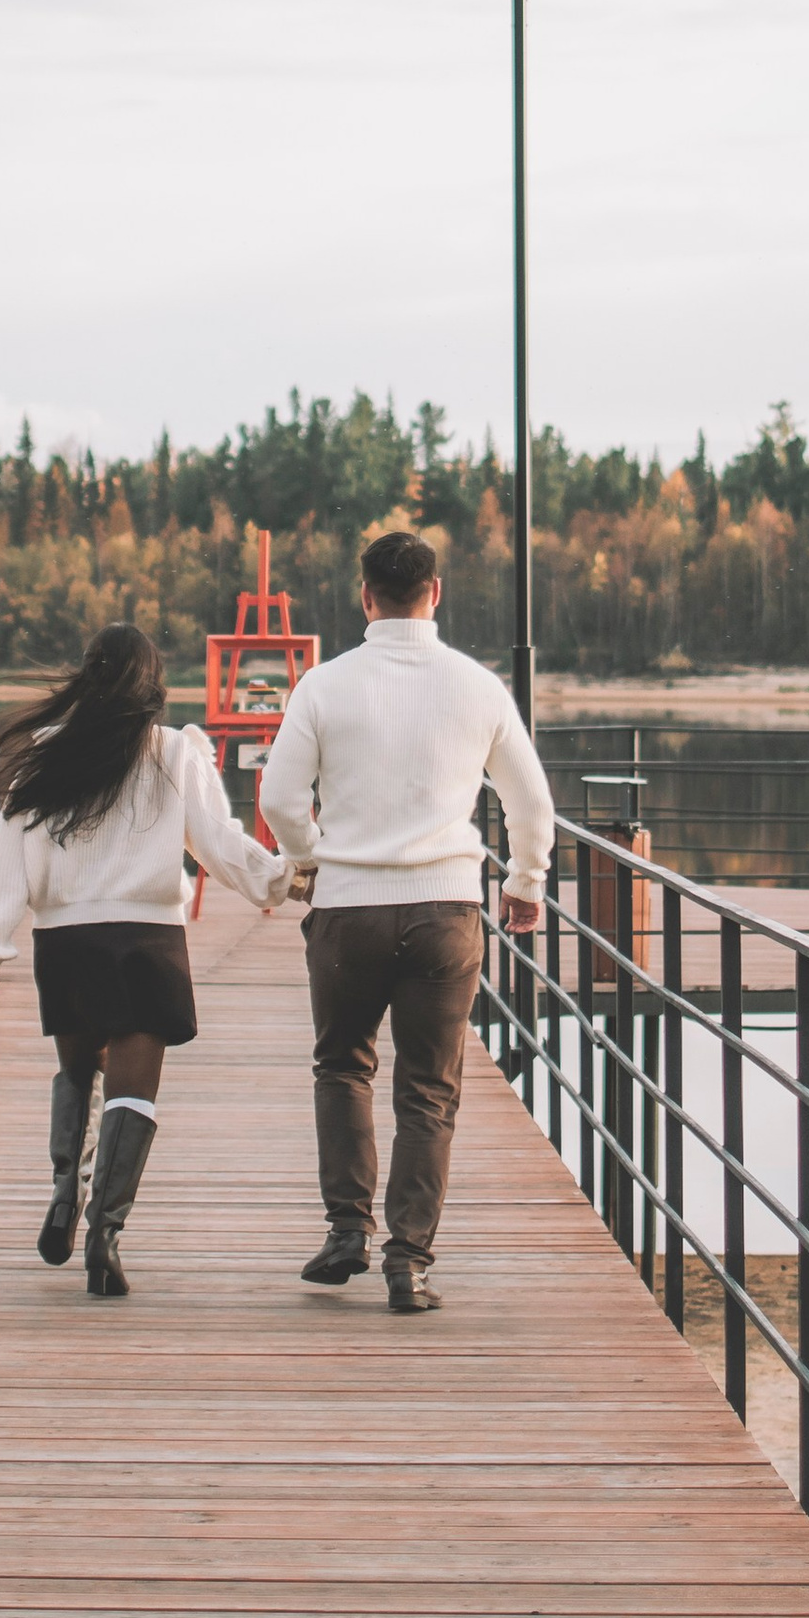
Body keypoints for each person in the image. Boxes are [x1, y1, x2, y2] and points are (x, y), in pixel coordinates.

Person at [257, 529, 552, 1315]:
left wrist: (314, 858)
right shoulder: (478, 686)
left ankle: (345, 1230)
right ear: (436, 591)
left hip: (349, 910)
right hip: (445, 909)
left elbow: (279, 800)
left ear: (365, 597)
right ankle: (409, 1262)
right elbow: (530, 803)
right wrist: (525, 882)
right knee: (429, 1091)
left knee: (343, 1067)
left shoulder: (323, 685)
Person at [0, 622, 293, 1297]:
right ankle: (104, 1236)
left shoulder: (44, 754)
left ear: (89, 676)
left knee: (79, 1073)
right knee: (133, 1095)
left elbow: (6, 861)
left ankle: (64, 1190)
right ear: (153, 682)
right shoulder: (172, 752)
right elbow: (217, 843)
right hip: (146, 944)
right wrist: (280, 880)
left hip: (68, 942)